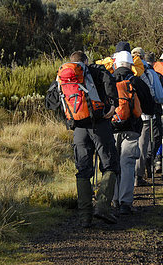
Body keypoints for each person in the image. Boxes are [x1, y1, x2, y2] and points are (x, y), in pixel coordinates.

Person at [59, 51, 120, 227]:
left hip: (78, 128)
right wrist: (113, 104)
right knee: (110, 164)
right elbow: (110, 84)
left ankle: (85, 217)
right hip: (100, 124)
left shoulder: (63, 76)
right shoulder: (96, 70)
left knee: (83, 169)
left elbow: (53, 100)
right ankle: (102, 207)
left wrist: (70, 118)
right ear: (86, 61)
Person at [111, 50, 155, 215]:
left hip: (112, 128)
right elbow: (150, 107)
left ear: (115, 64)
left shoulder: (108, 79)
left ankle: (113, 199)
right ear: (131, 65)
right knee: (127, 164)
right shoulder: (137, 81)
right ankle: (126, 203)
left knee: (113, 163)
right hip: (132, 129)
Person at [131, 47, 163, 186]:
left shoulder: (123, 69)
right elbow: (158, 95)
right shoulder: (149, 72)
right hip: (145, 116)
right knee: (142, 145)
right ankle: (138, 177)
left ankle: (124, 177)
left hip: (126, 116)